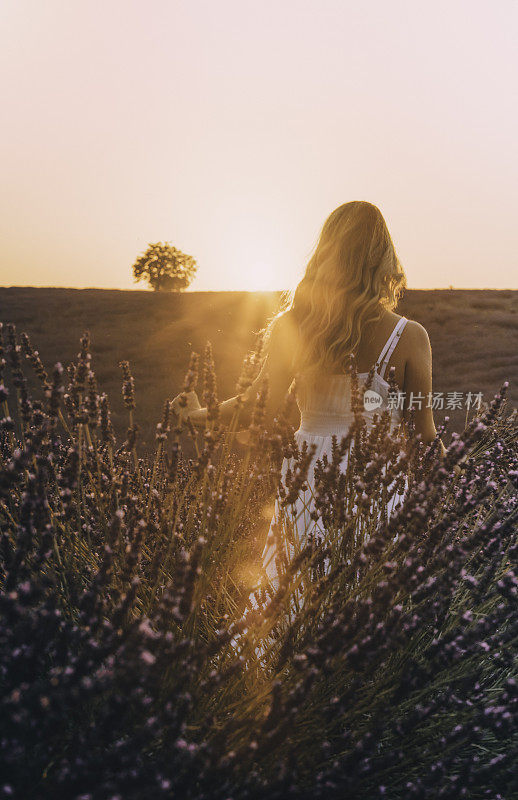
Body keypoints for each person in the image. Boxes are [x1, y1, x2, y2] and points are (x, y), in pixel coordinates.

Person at [172, 201, 446, 587]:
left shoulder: (294, 326)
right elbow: (425, 437)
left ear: (325, 254)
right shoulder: (409, 336)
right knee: (372, 606)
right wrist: (455, 508)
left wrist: (197, 414)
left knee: (294, 601)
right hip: (379, 488)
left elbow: (254, 409)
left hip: (307, 478)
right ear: (383, 260)